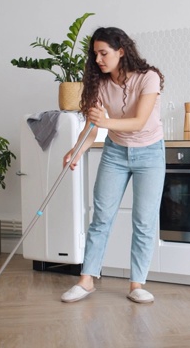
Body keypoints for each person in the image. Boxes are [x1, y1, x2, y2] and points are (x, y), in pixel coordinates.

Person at [60, 27, 165, 304]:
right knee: (101, 217)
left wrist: (105, 122)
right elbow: (92, 129)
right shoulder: (99, 83)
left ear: (121, 51)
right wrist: (77, 150)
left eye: (103, 53)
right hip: (115, 153)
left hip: (150, 153)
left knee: (143, 221)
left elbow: (139, 121)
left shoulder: (148, 78)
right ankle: (86, 280)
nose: (98, 59)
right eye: (95, 54)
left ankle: (136, 285)